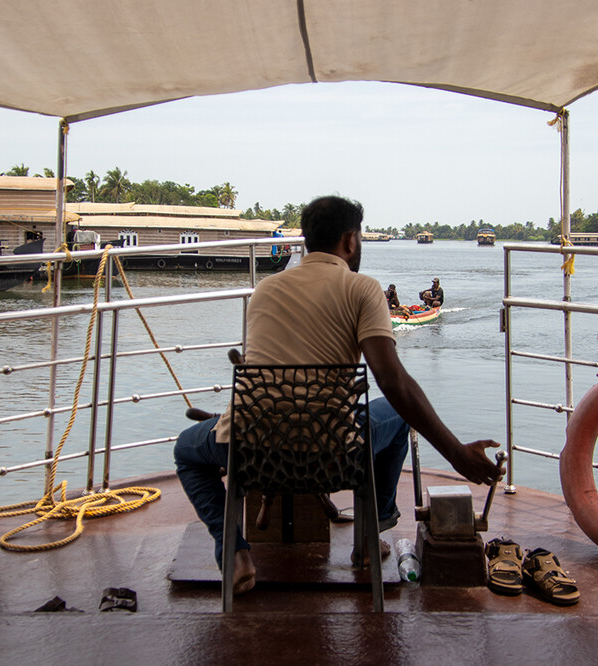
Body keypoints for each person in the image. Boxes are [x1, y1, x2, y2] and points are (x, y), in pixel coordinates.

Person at [173, 196, 502, 597]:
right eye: (359, 238)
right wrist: (455, 452)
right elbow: (393, 381)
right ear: (350, 241)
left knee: (188, 450)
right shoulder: (363, 289)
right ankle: (370, 536)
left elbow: (271, 373)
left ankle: (233, 550)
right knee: (396, 417)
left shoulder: (266, 289)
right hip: (331, 455)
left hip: (249, 450)